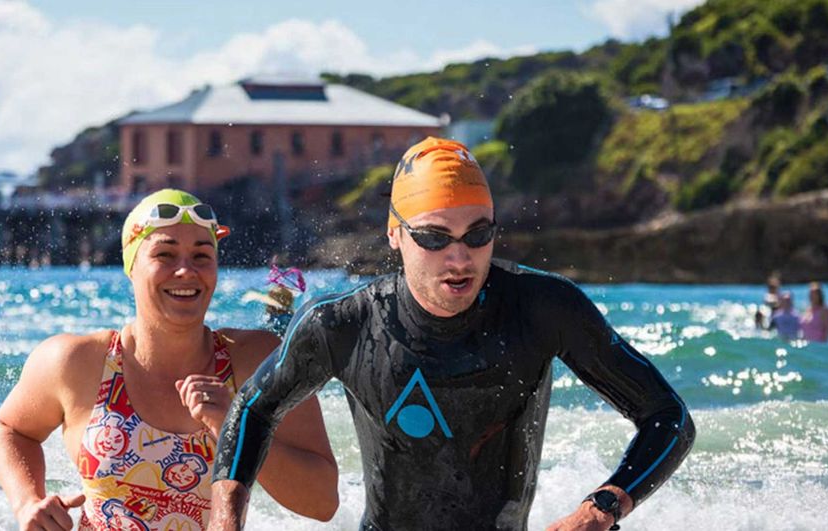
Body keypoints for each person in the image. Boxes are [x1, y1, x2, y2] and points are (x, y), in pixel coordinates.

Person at [207, 138, 694, 531]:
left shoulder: (543, 308)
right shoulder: (343, 324)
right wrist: (227, 515)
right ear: (395, 234)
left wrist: (599, 510)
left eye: (478, 235)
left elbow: (667, 416)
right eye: (435, 237)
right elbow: (254, 408)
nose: (460, 259)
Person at [0, 189, 338, 531]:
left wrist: (238, 427)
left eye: (202, 256)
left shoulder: (256, 361)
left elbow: (322, 501)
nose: (186, 270)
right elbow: (13, 430)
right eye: (165, 255)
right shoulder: (76, 362)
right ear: (132, 266)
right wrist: (27, 504)